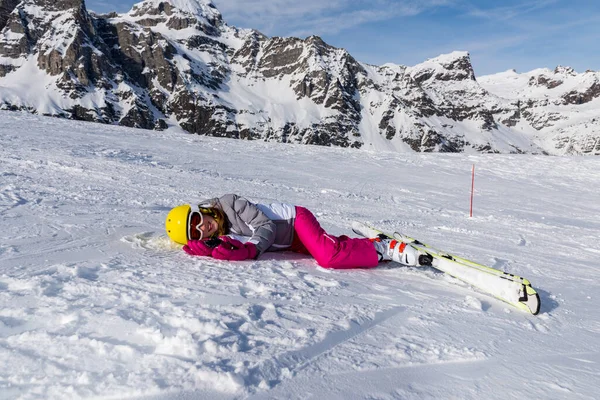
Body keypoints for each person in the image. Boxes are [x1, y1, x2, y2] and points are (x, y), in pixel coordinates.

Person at [165, 194, 423, 269]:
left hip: (295, 221)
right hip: (287, 243)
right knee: (331, 246)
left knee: (328, 257)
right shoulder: (222, 237)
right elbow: (232, 247)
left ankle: (383, 248)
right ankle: (370, 243)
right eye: (196, 233)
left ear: (201, 210)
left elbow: (264, 226)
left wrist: (251, 250)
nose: (202, 227)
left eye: (197, 219)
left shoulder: (230, 203)